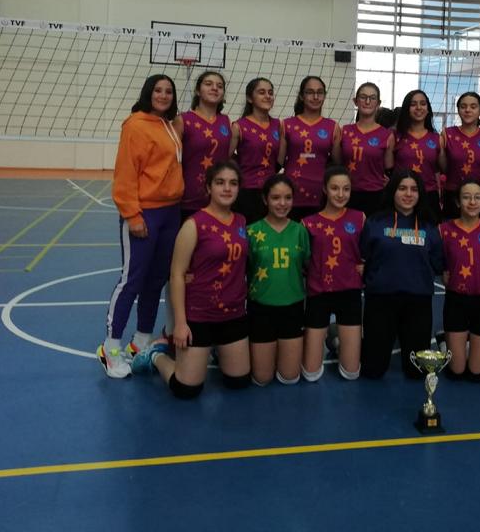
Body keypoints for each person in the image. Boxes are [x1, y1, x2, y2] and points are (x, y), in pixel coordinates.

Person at [130, 161, 251, 396]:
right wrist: (180, 323)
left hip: (233, 313)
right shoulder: (194, 224)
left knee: (239, 382)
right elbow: (177, 275)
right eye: (220, 183)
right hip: (199, 315)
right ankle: (155, 356)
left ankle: (216, 349)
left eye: (233, 183)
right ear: (208, 188)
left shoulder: (241, 222)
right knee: (186, 389)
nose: (227, 188)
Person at [101, 74, 183, 378]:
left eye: (168, 91)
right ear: (148, 93)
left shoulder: (168, 125)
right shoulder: (135, 125)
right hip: (145, 213)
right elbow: (125, 173)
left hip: (171, 213)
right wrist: (132, 215)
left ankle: (141, 341)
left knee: (156, 279)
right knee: (132, 280)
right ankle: (110, 349)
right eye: (158, 90)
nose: (163, 95)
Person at [360, 169, 445, 379]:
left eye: (414, 189)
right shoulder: (374, 223)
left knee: (417, 372)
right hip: (380, 300)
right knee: (373, 371)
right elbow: (363, 258)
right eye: (402, 188)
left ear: (420, 194)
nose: (408, 194)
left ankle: (442, 340)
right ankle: (336, 338)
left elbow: (438, 264)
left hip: (418, 301)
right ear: (393, 191)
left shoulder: (430, 227)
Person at [301, 166, 366, 382]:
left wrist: (366, 266)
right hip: (319, 293)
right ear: (325, 189)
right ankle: (328, 335)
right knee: (310, 374)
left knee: (351, 373)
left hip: (350, 292)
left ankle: (336, 340)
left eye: (346, 189)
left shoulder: (359, 218)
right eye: (335, 188)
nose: (340, 194)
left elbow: (370, 250)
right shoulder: (308, 223)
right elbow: (302, 260)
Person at [245, 175, 310, 386]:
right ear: (265, 199)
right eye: (275, 198)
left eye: (288, 198)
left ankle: (333, 335)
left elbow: (310, 266)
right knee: (262, 378)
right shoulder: (252, 231)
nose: (282, 203)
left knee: (290, 377)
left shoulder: (300, 231)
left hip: (293, 308)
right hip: (261, 308)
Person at [438, 181, 480, 382]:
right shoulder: (444, 230)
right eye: (466, 197)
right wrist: (443, 270)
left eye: (477, 197)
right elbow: (436, 259)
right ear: (458, 202)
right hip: (456, 300)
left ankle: (464, 345)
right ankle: (445, 343)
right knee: (456, 372)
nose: (472, 202)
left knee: (476, 374)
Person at [278, 75, 338, 221]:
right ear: (301, 96)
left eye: (320, 92)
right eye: (310, 92)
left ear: (324, 95)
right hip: (291, 195)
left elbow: (338, 163)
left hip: (321, 196)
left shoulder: (333, 127)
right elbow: (279, 162)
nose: (315, 97)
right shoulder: (286, 124)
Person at [179, 71, 231, 219]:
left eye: (219, 86)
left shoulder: (226, 121)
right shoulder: (183, 120)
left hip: (219, 199)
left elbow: (227, 156)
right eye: (208, 84)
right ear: (197, 90)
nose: (214, 88)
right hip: (188, 200)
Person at [335, 82, 391, 217]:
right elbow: (337, 162)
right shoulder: (344, 131)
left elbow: (389, 168)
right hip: (347, 194)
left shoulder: (387, 135)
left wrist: (390, 180)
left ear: (378, 103)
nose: (367, 101)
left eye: (372, 98)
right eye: (363, 97)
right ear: (355, 101)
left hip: (375, 197)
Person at [230, 77, 281, 224]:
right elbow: (225, 158)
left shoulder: (279, 125)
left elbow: (281, 159)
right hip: (247, 192)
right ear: (250, 98)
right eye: (262, 92)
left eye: (270, 93)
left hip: (272, 191)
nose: (268, 96)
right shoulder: (239, 126)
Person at [388, 90, 444, 219]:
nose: (418, 107)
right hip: (402, 196)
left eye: (423, 104)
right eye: (413, 104)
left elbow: (438, 171)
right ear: (407, 109)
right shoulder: (395, 137)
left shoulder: (437, 139)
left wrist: (440, 194)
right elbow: (388, 168)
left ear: (428, 109)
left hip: (429, 196)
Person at [441, 91, 480, 220]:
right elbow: (443, 167)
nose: (468, 110)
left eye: (473, 107)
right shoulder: (447, 134)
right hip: (453, 194)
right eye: (463, 106)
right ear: (458, 110)